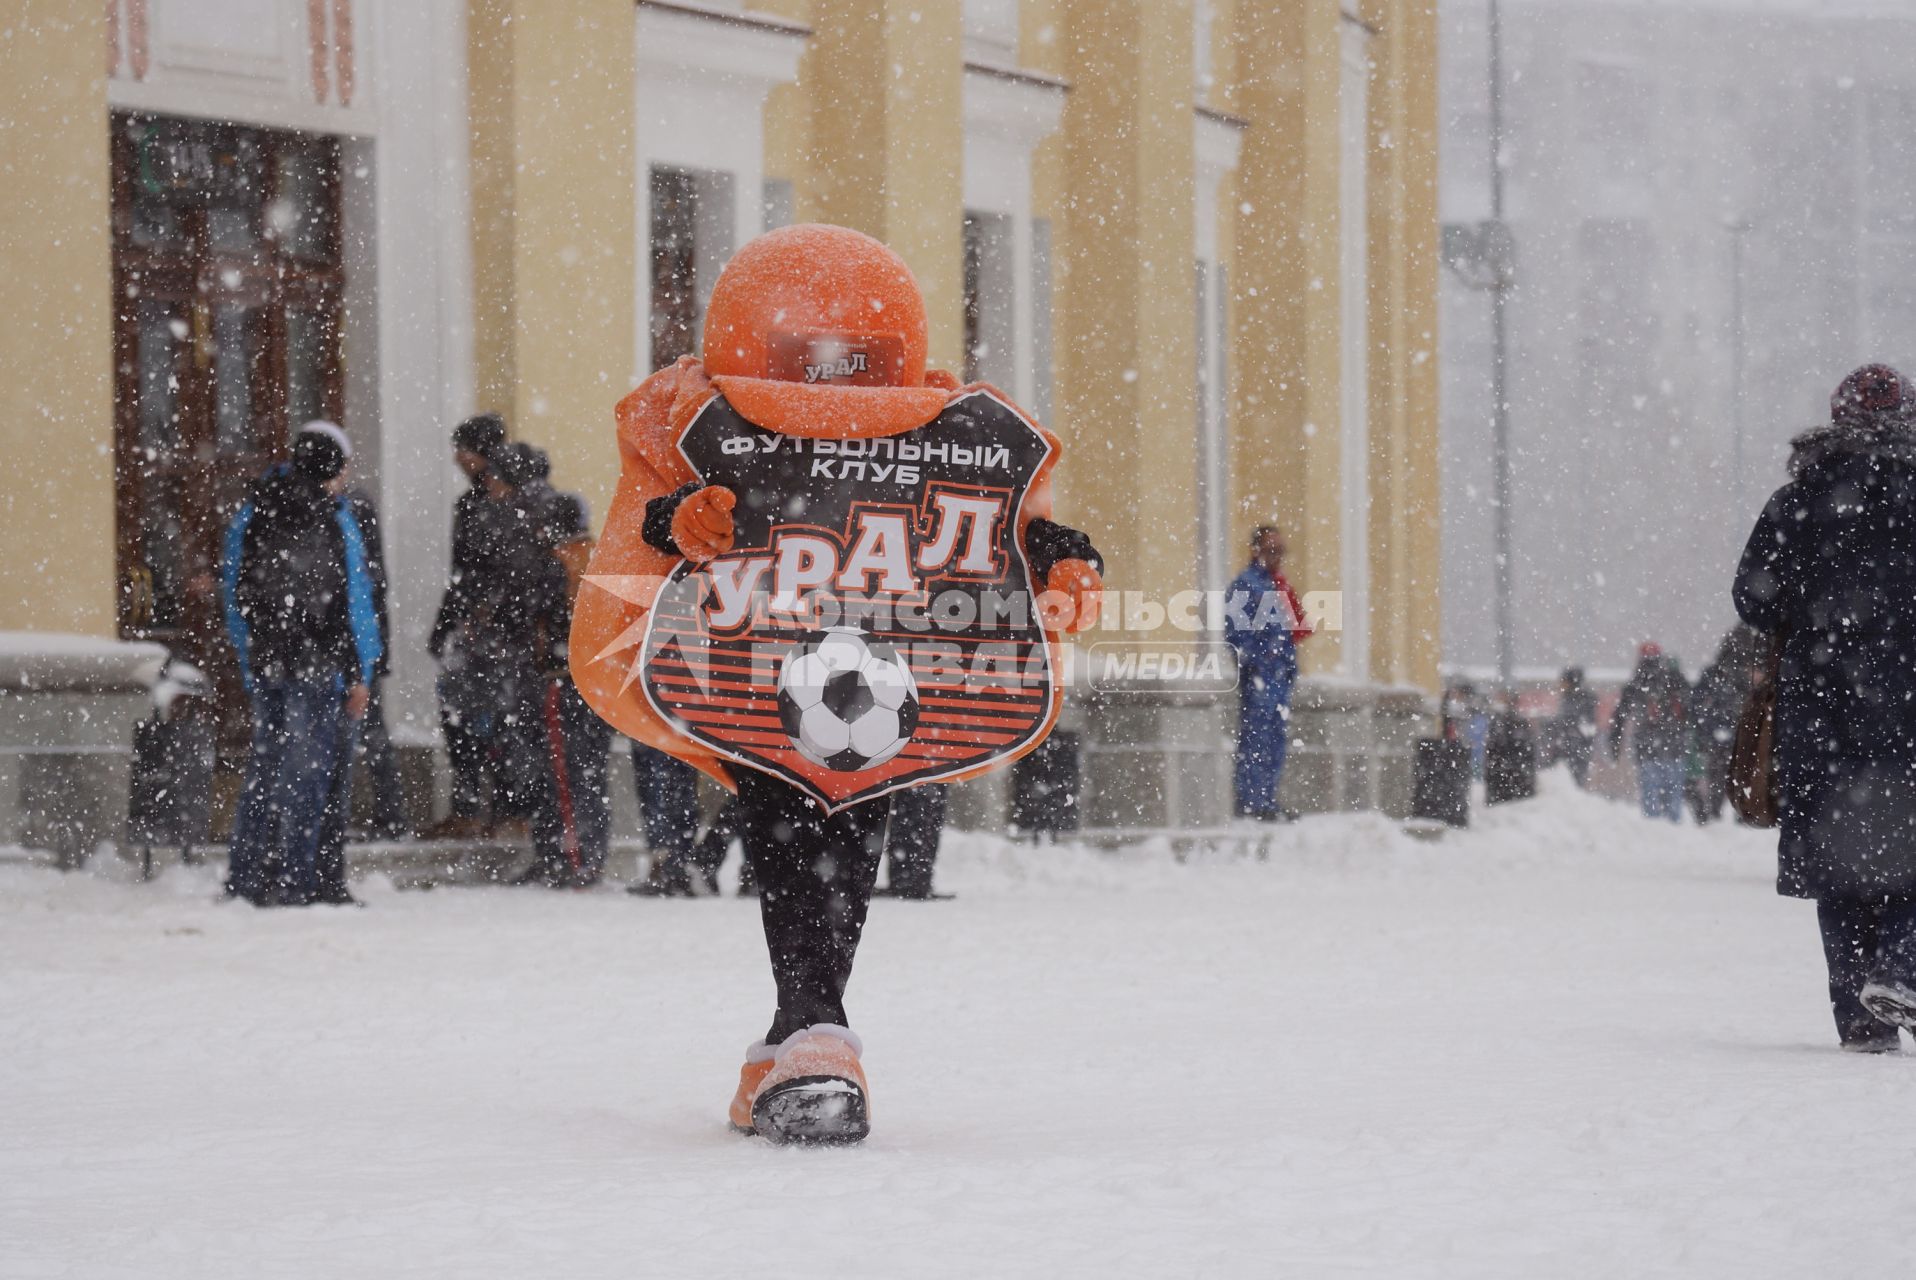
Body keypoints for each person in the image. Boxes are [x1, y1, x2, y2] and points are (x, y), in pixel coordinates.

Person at [571, 225, 1103, 1144]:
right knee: (802, 836)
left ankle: (792, 1042)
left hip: (880, 683)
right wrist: (678, 522)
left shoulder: (951, 433)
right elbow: (643, 531)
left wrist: (1062, 559)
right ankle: (820, 1035)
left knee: (843, 838)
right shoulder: (690, 421)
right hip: (751, 677)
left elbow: (1002, 525)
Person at [1734, 363, 1916, 1053]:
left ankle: (1863, 1020)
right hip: (1907, 705)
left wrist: (1822, 608)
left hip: (1823, 709)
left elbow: (1754, 598)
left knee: (1841, 863)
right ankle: (1903, 967)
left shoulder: (1800, 499)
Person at [221, 422, 381, 906]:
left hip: (274, 662)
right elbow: (340, 604)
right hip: (318, 665)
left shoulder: (258, 512)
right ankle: (303, 880)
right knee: (313, 779)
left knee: (270, 771)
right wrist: (356, 671)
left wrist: (257, 655)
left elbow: (239, 595)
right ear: (331, 468)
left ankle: (253, 877)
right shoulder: (324, 517)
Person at [485, 443, 612, 888]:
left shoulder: (559, 564)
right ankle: (583, 854)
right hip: (596, 683)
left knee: (562, 772)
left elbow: (531, 614)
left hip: (562, 679)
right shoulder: (600, 556)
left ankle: (572, 858)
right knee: (588, 772)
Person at [425, 413, 507, 840]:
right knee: (470, 722)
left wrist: (472, 616)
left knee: (478, 723)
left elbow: (474, 572)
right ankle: (480, 808)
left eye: (465, 448)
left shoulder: (491, 503)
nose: (458, 457)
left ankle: (483, 809)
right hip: (477, 626)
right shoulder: (477, 502)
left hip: (486, 631)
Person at [1223, 525, 1313, 820]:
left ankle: (1267, 799)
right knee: (1256, 740)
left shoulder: (1277, 585)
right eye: (1271, 550)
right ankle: (1252, 800)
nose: (1277, 557)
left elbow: (1295, 630)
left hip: (1278, 677)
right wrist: (1257, 660)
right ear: (1256, 550)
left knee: (1274, 740)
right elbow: (1234, 634)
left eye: (1280, 551)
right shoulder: (1246, 586)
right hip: (1259, 677)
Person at [1607, 642, 1688, 822]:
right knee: (1673, 795)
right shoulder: (1674, 678)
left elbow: (1619, 716)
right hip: (1674, 745)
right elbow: (1691, 709)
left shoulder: (1636, 683)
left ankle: (1653, 830)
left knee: (1650, 793)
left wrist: (1614, 745)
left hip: (1647, 747)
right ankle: (1673, 831)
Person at [1686, 628, 1758, 825]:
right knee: (1740, 773)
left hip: (1719, 731)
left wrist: (1703, 725)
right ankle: (1739, 814)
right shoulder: (1747, 673)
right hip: (1738, 731)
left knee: (1718, 773)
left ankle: (1718, 812)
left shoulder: (1715, 673)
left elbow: (1696, 703)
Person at [626, 744, 706, 896]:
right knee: (654, 789)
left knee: (665, 790)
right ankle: (668, 864)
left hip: (670, 729)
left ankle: (671, 865)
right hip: (655, 729)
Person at [1552, 667, 1598, 788]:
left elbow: (1585, 725)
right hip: (1568, 747)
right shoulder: (1568, 698)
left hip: (1576, 749)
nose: (1561, 684)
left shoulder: (1582, 699)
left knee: (1574, 784)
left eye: (1564, 681)